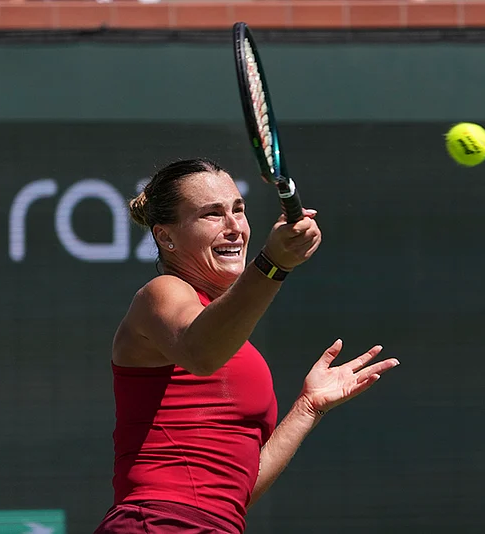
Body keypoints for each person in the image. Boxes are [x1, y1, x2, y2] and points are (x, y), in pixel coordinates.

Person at [94, 158, 399, 534]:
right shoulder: (162, 293)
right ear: (166, 237)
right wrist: (273, 264)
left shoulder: (233, 339)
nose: (234, 227)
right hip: (158, 522)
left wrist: (308, 408)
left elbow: (237, 490)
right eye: (212, 214)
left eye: (239, 210)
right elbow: (200, 353)